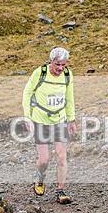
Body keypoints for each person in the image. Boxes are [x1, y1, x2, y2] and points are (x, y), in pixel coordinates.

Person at [21, 47, 77, 204]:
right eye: (57, 64)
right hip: (41, 120)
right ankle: (40, 178)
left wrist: (71, 119)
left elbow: (69, 97)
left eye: (63, 65)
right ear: (51, 61)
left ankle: (60, 191)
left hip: (59, 120)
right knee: (44, 160)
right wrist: (27, 117)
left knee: (61, 156)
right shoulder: (40, 73)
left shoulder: (67, 75)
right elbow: (26, 93)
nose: (60, 68)